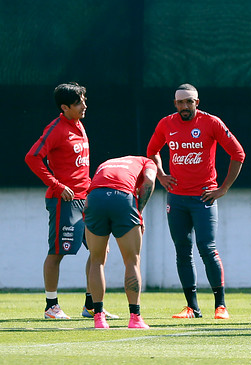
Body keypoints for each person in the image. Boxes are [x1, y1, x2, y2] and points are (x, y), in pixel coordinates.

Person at [147, 83, 245, 319]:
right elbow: (152, 151)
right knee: (182, 251)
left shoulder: (211, 122)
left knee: (207, 248)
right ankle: (192, 307)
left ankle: (220, 306)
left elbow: (238, 153)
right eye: (180, 102)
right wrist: (161, 174)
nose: (184, 106)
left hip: (204, 196)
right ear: (175, 104)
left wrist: (223, 188)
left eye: (189, 101)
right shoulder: (166, 123)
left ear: (197, 103)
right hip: (177, 198)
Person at [25, 82, 116, 320]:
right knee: (58, 252)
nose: (84, 105)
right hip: (63, 200)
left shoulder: (79, 124)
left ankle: (91, 305)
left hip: (87, 199)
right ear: (65, 107)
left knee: (100, 250)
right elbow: (32, 157)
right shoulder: (55, 129)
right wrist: (57, 185)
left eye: (84, 100)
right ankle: (51, 306)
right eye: (79, 103)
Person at [84, 156, 157, 329]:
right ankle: (135, 318)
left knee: (96, 260)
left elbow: (91, 190)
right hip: (122, 198)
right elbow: (149, 181)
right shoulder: (147, 162)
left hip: (94, 198)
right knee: (132, 261)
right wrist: (139, 212)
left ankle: (99, 318)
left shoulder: (105, 162)